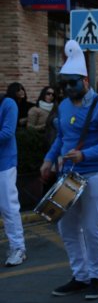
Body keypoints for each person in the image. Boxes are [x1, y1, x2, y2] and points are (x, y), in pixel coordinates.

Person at [40, 40, 98, 300]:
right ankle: (80, 275)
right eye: (64, 83)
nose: (67, 88)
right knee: (66, 227)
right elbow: (62, 138)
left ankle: (97, 277)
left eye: (72, 83)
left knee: (93, 227)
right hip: (69, 175)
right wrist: (49, 159)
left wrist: (84, 154)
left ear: (85, 81)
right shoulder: (63, 106)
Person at [0, 91, 27, 267]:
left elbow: (7, 132)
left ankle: (18, 248)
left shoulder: (8, 103)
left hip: (4, 163)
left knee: (8, 206)